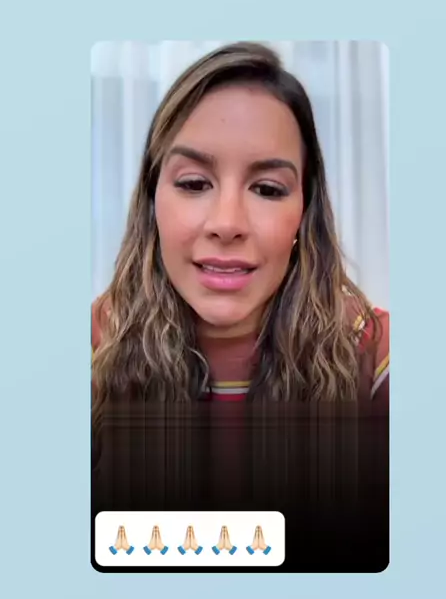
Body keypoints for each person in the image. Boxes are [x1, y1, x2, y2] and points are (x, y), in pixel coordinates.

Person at [91, 42, 389, 428]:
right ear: (152, 202)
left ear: (305, 212)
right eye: (194, 183)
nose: (227, 224)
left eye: (267, 189)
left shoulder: (377, 354)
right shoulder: (92, 347)